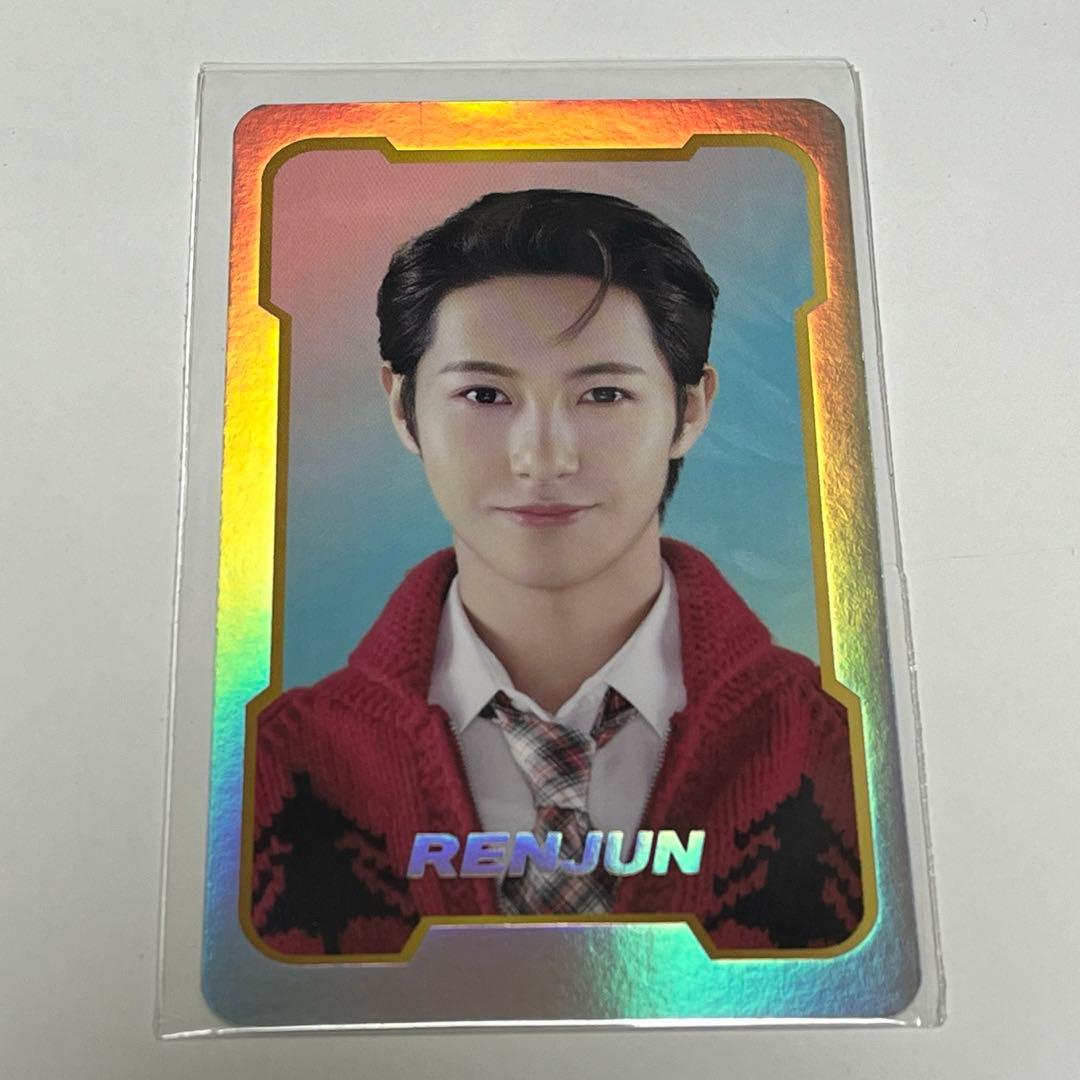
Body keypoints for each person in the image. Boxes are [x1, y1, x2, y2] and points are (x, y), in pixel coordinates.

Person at [250, 189, 863, 958]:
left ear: (690, 409)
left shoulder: (836, 745)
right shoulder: (277, 764)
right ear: (403, 408)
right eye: (484, 395)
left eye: (603, 394)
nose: (543, 458)